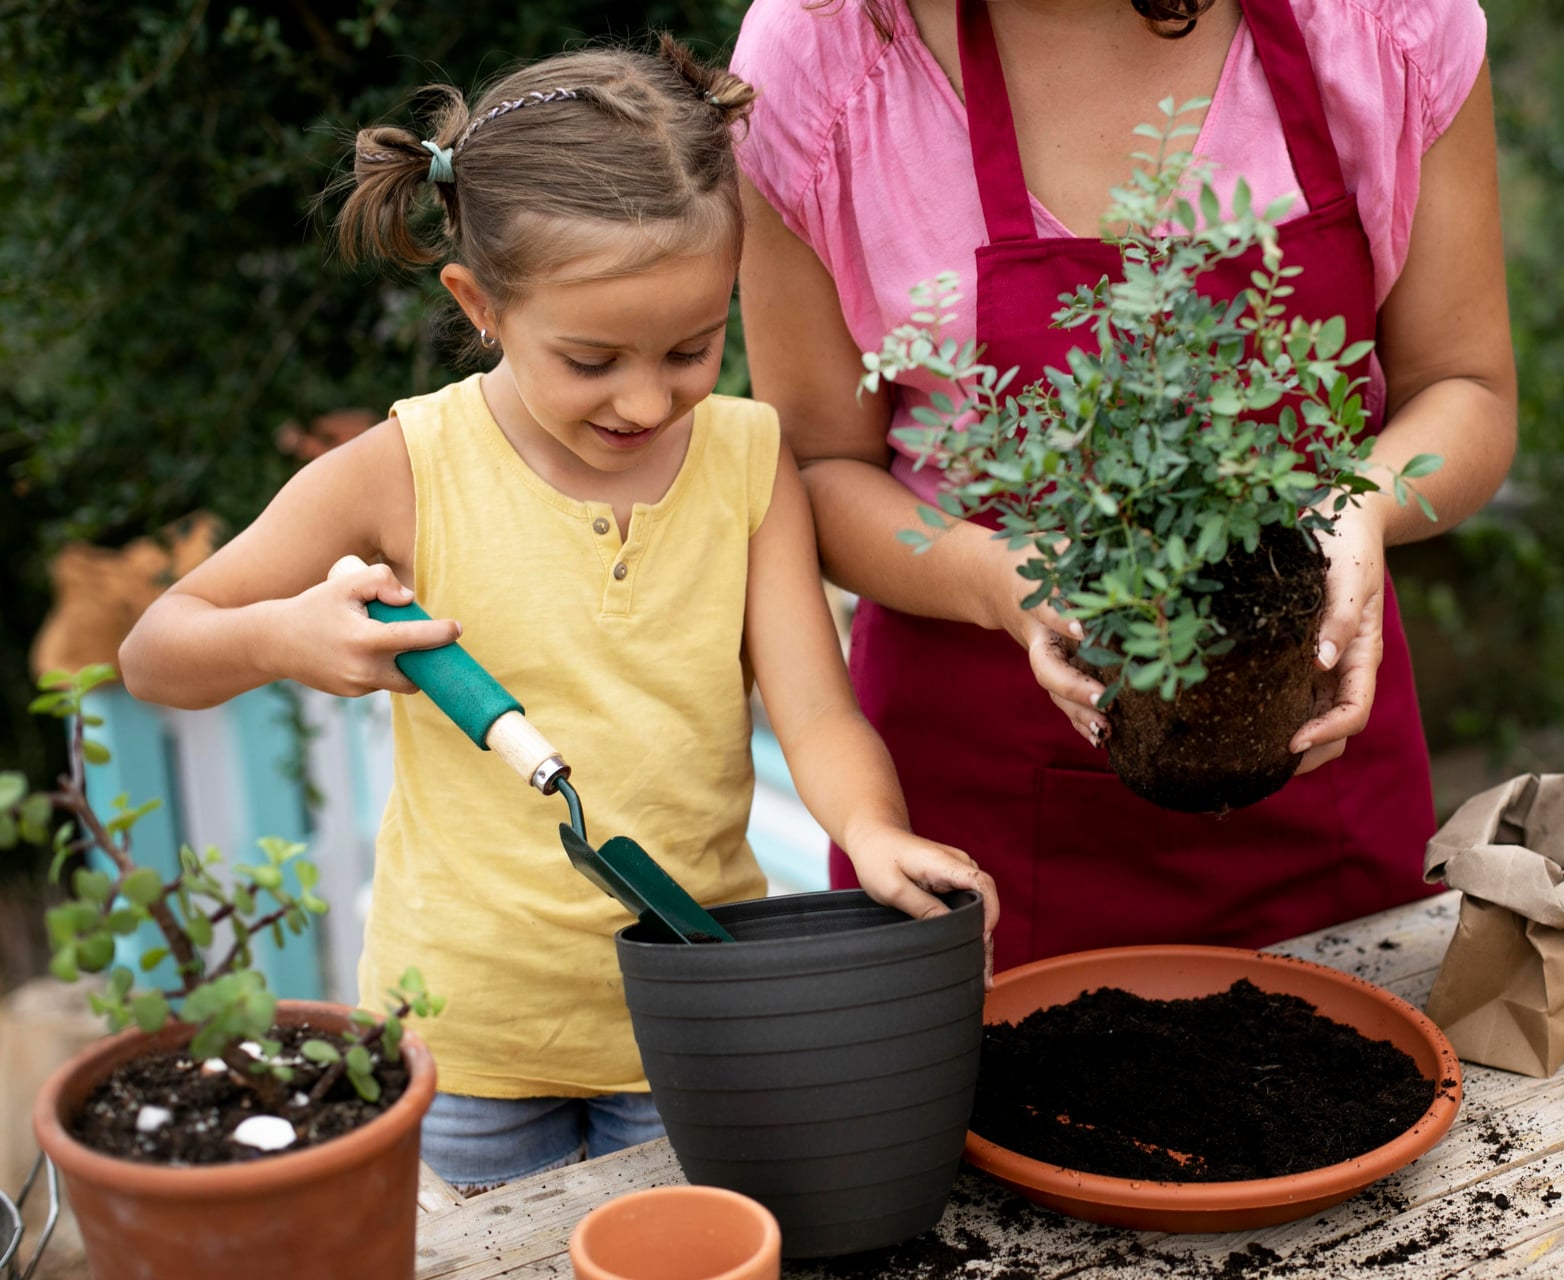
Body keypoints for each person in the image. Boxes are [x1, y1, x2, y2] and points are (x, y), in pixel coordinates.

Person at [116, 39, 999, 1193]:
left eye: (691, 347)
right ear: (479, 305)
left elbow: (819, 715)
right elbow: (155, 650)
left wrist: (874, 832)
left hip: (693, 1016)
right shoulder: (405, 468)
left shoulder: (747, 462)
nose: (646, 398)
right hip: (469, 1045)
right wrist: (286, 636)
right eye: (591, 359)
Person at [731, 0, 1517, 969]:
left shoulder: (1378, 22)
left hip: (1315, 793)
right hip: (978, 835)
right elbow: (817, 467)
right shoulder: (827, 50)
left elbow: (1467, 390)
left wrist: (1359, 501)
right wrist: (998, 575)